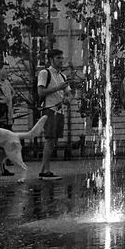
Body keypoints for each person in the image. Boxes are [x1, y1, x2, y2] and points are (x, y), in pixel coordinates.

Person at [36, 48, 77, 181]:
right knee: (49, 139)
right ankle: (46, 170)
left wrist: (67, 99)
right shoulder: (44, 73)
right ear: (51, 59)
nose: (61, 61)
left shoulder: (62, 76)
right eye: (58, 58)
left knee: (53, 141)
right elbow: (41, 92)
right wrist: (58, 88)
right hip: (49, 109)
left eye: (61, 58)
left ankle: (44, 169)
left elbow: (69, 94)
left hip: (59, 110)